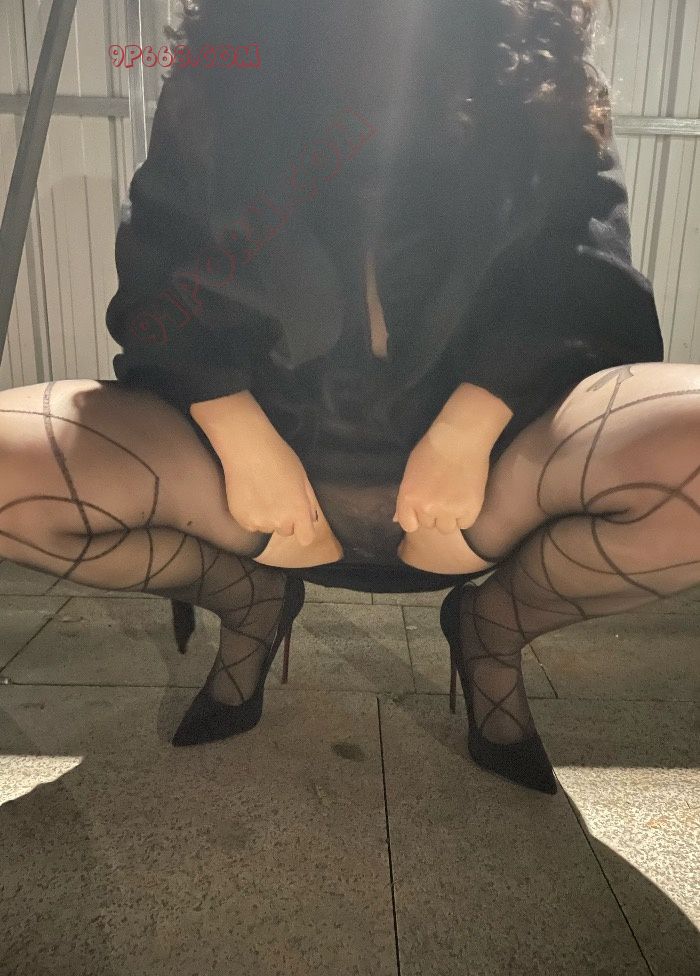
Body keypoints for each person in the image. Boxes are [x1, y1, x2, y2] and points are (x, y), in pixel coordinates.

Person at [0, 0, 698, 796]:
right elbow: (163, 257)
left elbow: (585, 270)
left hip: (489, 470)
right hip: (262, 467)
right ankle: (251, 600)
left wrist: (469, 428)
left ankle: (494, 627)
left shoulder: (535, 63)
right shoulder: (230, 58)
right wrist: (236, 431)